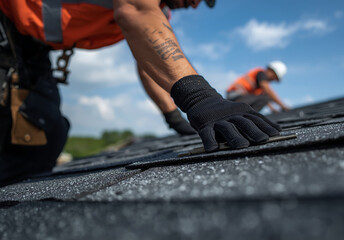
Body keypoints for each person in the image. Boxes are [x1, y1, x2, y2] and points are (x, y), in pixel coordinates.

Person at [0, 0, 281, 186]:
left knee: (41, 139)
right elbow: (134, 10)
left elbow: (148, 62)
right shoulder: (145, 7)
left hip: (27, 44)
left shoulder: (159, 10)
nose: (196, 5)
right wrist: (199, 96)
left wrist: (173, 116)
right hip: (6, 19)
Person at [226, 61, 291, 113]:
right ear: (272, 71)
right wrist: (283, 106)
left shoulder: (259, 86)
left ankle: (245, 115)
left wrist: (272, 109)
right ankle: (248, 116)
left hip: (239, 98)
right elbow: (268, 92)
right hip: (235, 96)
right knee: (266, 97)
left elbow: (262, 99)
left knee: (265, 97)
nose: (273, 80)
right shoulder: (261, 74)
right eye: (274, 77)